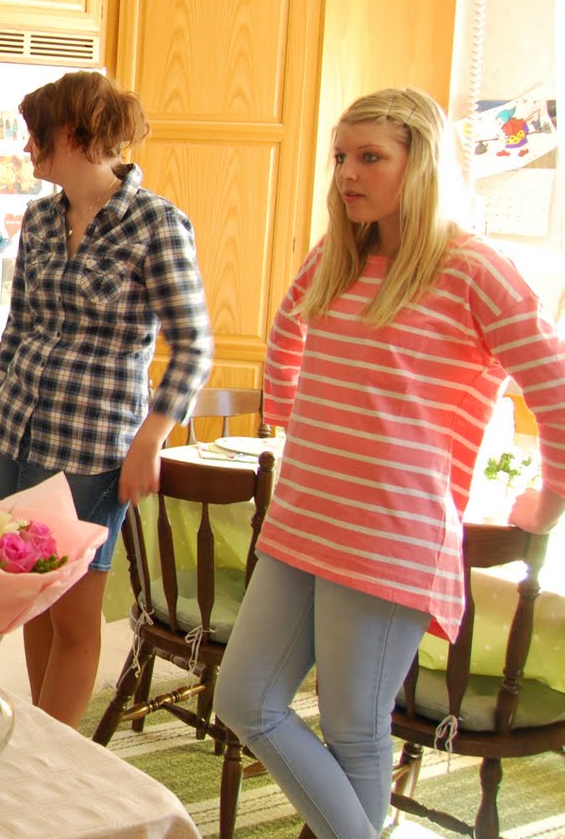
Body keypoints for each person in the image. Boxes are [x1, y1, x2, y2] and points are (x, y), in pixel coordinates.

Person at [215, 88, 564, 839]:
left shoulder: (474, 267)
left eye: (370, 157)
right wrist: (293, 412)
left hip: (388, 533)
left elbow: (556, 388)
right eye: (341, 156)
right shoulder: (341, 254)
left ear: (423, 163)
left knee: (353, 729)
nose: (346, 173)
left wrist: (550, 499)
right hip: (304, 518)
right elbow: (287, 330)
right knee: (243, 700)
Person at [0, 70, 212, 727]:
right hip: (15, 436)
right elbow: (19, 330)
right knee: (23, 599)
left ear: (71, 133)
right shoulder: (39, 219)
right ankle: (37, 734)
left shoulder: (156, 224)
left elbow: (194, 346)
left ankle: (54, 764)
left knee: (72, 617)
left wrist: (150, 440)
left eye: (34, 134)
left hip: (91, 449)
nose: (26, 147)